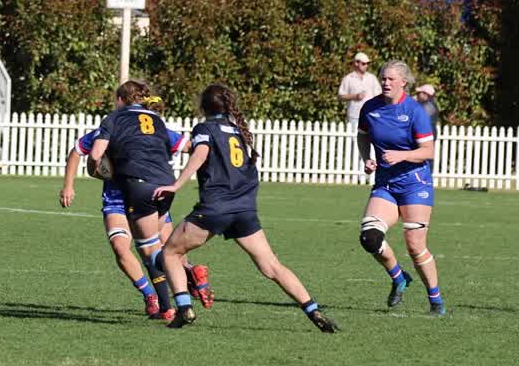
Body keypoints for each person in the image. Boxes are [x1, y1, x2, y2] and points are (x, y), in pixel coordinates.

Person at [152, 84, 339, 332]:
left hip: (215, 208)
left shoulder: (205, 129)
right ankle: (313, 310)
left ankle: (184, 308)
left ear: (204, 107)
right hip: (244, 209)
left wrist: (176, 184)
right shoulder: (240, 131)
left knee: (170, 254)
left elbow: (200, 154)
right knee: (271, 266)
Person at [59, 95, 213, 319]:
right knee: (131, 248)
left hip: (133, 195)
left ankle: (171, 295)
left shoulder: (127, 125)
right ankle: (156, 295)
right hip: (132, 196)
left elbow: (188, 147)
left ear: (122, 101)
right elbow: (77, 150)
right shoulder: (120, 126)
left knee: (157, 250)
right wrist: (68, 185)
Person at [84, 81, 190, 323]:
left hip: (136, 189)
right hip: (158, 187)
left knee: (151, 249)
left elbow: (94, 155)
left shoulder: (116, 120)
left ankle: (186, 282)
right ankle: (164, 301)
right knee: (140, 247)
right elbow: (190, 147)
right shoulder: (155, 122)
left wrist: (95, 171)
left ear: (120, 99)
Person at [356, 60, 444, 316]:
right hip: (385, 183)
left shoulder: (415, 111)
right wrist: (366, 158)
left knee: (415, 246)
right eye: (383, 78)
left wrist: (401, 156)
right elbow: (362, 135)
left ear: (403, 82)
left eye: (391, 79)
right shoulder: (370, 108)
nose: (385, 82)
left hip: (415, 184)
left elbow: (429, 151)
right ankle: (398, 277)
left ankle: (435, 300)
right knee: (369, 237)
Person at [338, 51, 381, 128]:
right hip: (354, 115)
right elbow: (341, 96)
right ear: (356, 63)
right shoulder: (348, 78)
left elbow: (379, 95)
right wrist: (355, 96)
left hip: (370, 114)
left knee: (369, 139)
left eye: (367, 63)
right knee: (354, 139)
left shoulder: (372, 78)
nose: (366, 66)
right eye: (364, 63)